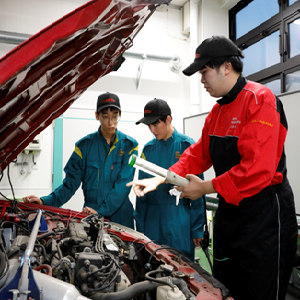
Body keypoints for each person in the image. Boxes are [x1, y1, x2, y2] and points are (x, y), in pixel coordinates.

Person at [127, 36, 298, 300]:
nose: (202, 80)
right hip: (231, 212)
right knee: (225, 284)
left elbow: (257, 169)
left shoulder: (260, 99)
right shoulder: (217, 113)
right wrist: (162, 179)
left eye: (204, 72)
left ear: (226, 67)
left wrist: (205, 188)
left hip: (264, 213)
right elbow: (196, 155)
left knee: (260, 288)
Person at [24, 92, 138, 229]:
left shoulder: (130, 146)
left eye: (115, 117)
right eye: (105, 117)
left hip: (121, 217)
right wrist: (44, 201)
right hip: (91, 215)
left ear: (120, 115)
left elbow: (123, 185)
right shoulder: (84, 147)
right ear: (97, 116)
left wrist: (100, 212)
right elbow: (69, 185)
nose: (110, 122)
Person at [134, 98, 205, 261]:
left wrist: (196, 230)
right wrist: (140, 227)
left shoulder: (187, 147)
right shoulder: (148, 150)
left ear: (168, 119)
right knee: (152, 271)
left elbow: (198, 192)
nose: (152, 130)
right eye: (149, 126)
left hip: (179, 223)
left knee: (181, 272)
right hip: (152, 224)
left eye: (155, 124)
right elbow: (141, 191)